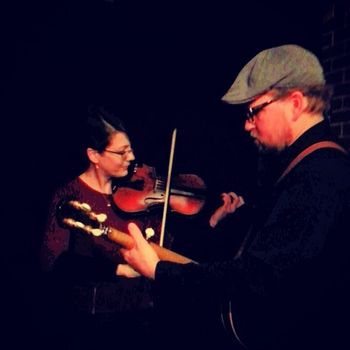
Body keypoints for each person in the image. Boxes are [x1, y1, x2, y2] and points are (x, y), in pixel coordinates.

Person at [117, 44, 350, 350]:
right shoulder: (304, 169)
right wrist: (229, 221)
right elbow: (281, 254)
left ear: (295, 103)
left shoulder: (319, 175)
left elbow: (256, 280)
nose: (247, 124)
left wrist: (160, 271)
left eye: (254, 111)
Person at [40, 106, 162, 348]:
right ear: (94, 155)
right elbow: (54, 263)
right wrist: (119, 270)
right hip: (98, 325)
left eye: (131, 149)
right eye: (121, 152)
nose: (131, 158)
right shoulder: (69, 195)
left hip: (146, 317)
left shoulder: (138, 191)